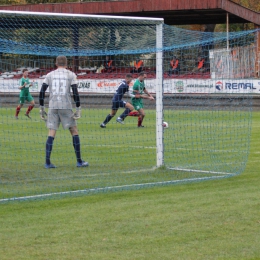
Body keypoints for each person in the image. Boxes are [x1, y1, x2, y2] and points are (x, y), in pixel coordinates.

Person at [39, 56, 88, 168]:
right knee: (74, 131)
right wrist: (78, 108)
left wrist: (41, 107)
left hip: (53, 105)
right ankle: (79, 161)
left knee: (51, 132)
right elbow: (75, 92)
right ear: (67, 64)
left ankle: (47, 162)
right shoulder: (71, 74)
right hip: (65, 105)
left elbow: (42, 92)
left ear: (56, 63)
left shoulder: (50, 75)